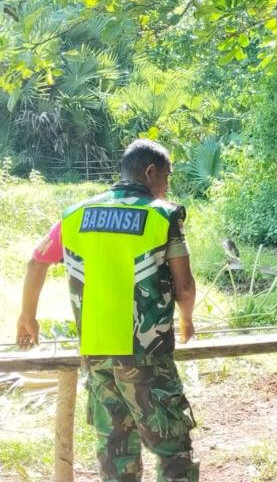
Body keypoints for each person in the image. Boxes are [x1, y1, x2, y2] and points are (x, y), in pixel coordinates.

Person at [16, 139, 200, 482]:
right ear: (149, 172)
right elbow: (185, 286)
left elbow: (36, 260)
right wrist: (187, 320)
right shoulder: (163, 214)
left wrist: (28, 316)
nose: (167, 185)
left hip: (96, 352)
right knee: (173, 452)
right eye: (167, 175)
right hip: (145, 353)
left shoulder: (76, 215)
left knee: (116, 452)